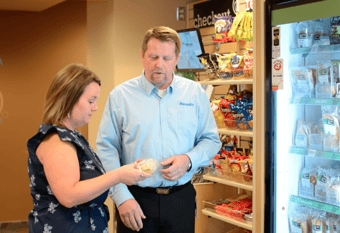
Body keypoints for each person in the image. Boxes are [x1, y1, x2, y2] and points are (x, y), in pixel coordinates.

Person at [96, 26, 222, 233]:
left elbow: (211, 140)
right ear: (142, 56)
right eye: (153, 56)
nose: (159, 64)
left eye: (166, 58)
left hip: (181, 200)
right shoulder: (120, 96)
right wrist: (121, 197)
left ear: (177, 58)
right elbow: (106, 149)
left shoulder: (195, 94)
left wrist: (188, 160)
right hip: (135, 200)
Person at [27, 63, 152, 233]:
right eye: (91, 101)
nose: (96, 107)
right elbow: (69, 196)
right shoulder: (57, 141)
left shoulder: (73, 136)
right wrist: (119, 175)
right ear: (68, 100)